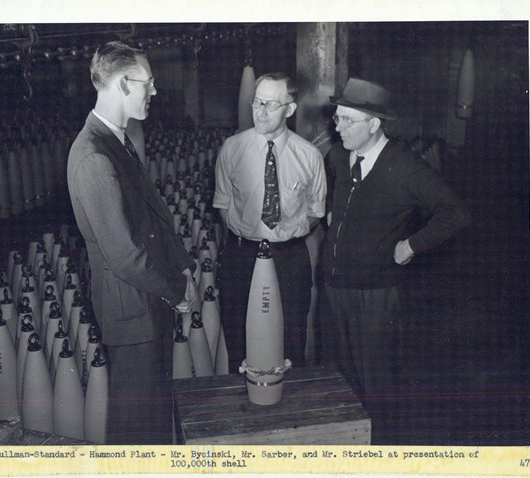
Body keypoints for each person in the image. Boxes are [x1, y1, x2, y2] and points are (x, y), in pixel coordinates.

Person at [67, 41, 197, 444]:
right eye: (149, 83)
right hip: (132, 312)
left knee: (153, 423)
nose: (154, 91)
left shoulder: (117, 141)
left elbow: (153, 217)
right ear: (124, 84)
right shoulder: (94, 155)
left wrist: (184, 266)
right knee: (137, 433)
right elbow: (124, 254)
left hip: (146, 303)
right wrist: (176, 289)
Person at [322, 78, 471, 424]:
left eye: (346, 119)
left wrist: (412, 245)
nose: (337, 126)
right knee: (342, 383)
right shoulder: (339, 156)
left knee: (378, 389)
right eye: (337, 117)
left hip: (375, 297)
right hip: (335, 289)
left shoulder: (405, 168)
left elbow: (456, 213)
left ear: (373, 124)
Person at [213, 72, 326, 372]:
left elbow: (316, 211)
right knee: (238, 341)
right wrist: (248, 236)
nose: (260, 111)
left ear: (290, 109)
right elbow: (223, 204)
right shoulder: (232, 149)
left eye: (271, 105)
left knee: (291, 341)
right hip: (241, 258)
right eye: (257, 102)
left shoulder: (309, 156)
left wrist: (286, 234)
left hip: (289, 260)